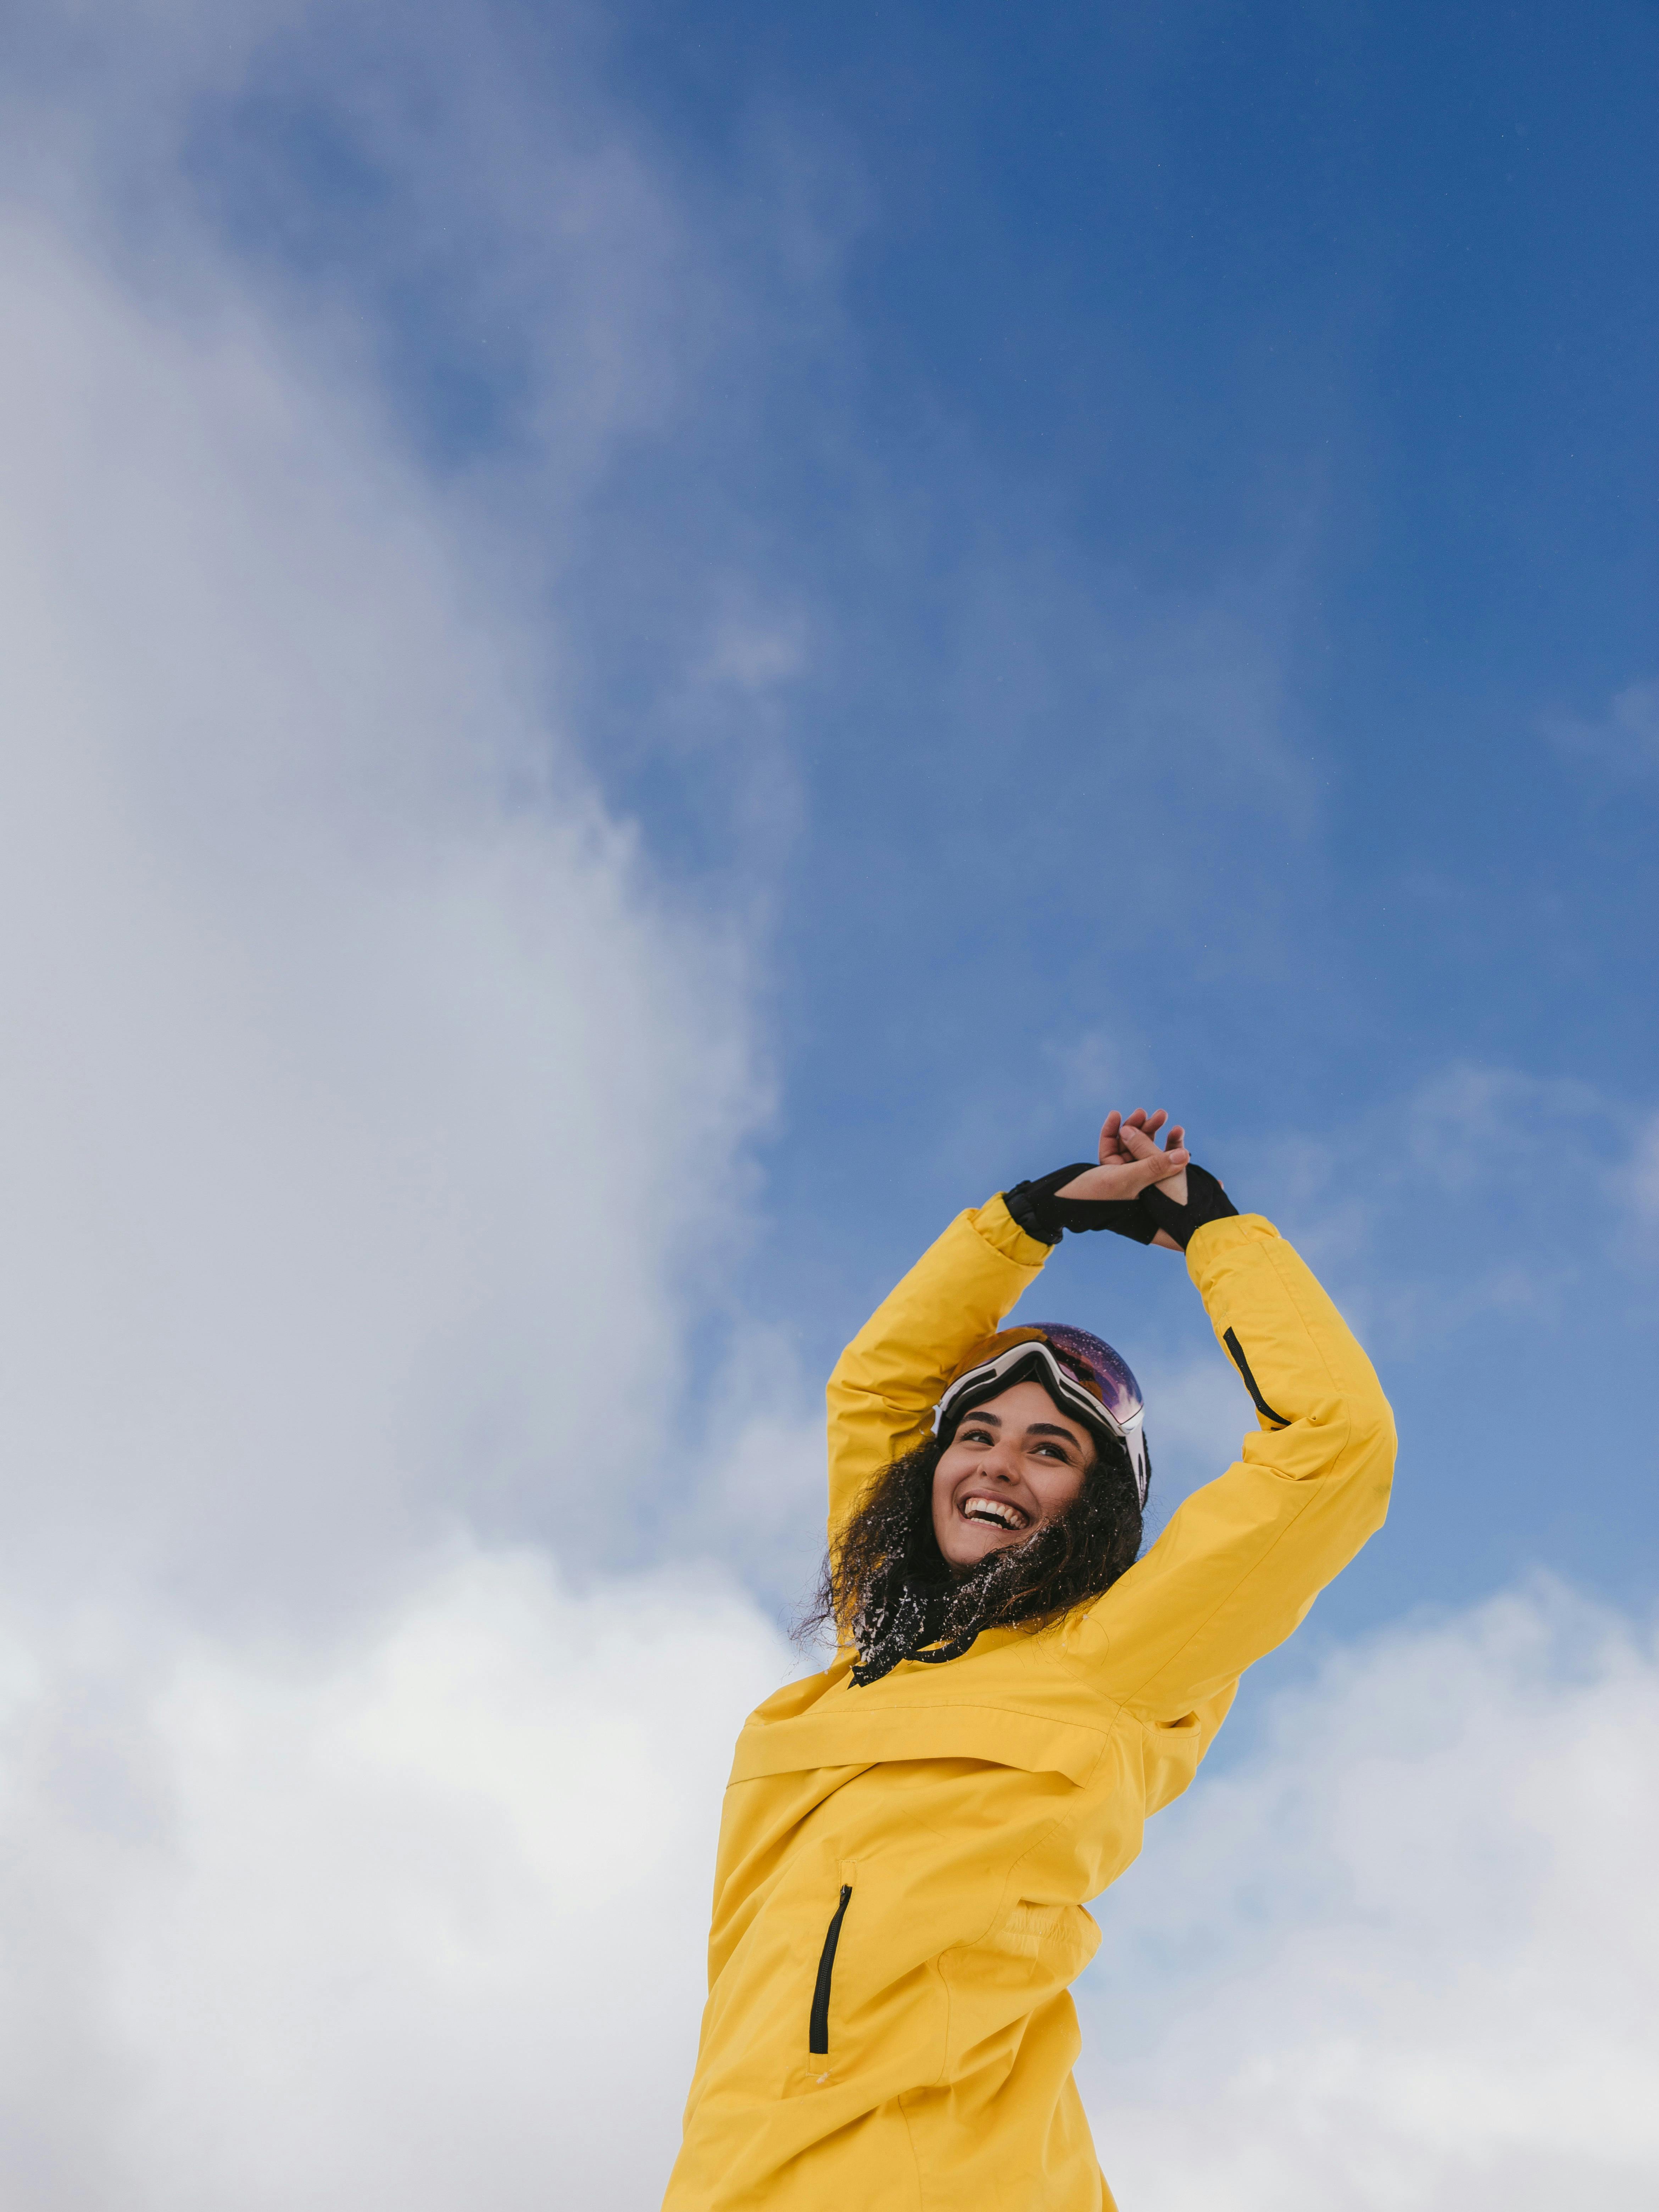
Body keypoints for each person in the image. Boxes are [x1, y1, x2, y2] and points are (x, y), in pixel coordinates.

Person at [663, 1109, 1395, 2212]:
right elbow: (875, 1393)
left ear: (1096, 1509)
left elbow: (1335, 1447)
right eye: (978, 1434)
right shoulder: (879, 1643)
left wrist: (1212, 1231)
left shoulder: (1116, 1658)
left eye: (1051, 1449)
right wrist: (1029, 1219)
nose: (998, 1465)